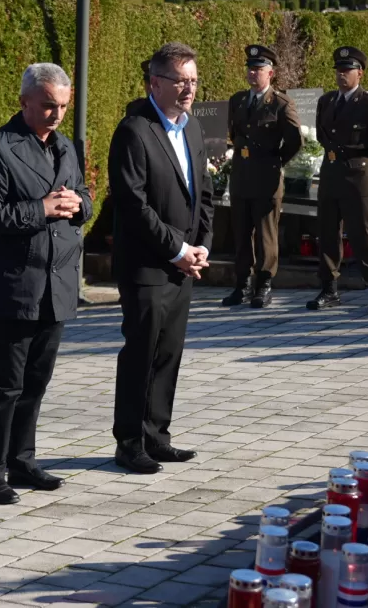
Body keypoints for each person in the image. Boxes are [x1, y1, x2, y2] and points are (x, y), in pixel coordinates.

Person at [0, 63, 92, 505]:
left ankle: (23, 459)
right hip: (15, 287)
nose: (56, 114)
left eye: (62, 106)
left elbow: (83, 195)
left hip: (57, 287)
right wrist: (39, 209)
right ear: (23, 103)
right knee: (5, 385)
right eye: (47, 106)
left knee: (36, 384)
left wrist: (81, 206)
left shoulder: (65, 147)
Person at [108, 42, 213, 474]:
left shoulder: (190, 128)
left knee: (169, 353)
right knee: (142, 353)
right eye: (179, 80)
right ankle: (129, 441)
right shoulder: (135, 130)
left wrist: (202, 244)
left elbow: (202, 192)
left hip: (185, 265)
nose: (188, 88)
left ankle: (157, 436)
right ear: (155, 82)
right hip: (149, 267)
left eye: (192, 80)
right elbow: (133, 206)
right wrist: (176, 249)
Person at [310, 47, 368, 313]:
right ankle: (329, 288)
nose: (341, 75)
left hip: (359, 178)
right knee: (327, 234)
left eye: (347, 70)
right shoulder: (326, 101)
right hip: (331, 175)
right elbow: (322, 136)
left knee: (362, 235)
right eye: (338, 70)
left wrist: (361, 157)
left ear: (359, 73)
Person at [223, 45, 303, 308]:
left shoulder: (280, 103)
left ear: (271, 73)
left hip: (266, 178)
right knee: (242, 232)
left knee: (266, 233)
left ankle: (264, 283)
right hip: (242, 176)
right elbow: (235, 135)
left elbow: (294, 141)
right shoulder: (237, 100)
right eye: (250, 68)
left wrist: (276, 161)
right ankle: (243, 284)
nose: (252, 73)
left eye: (258, 69)